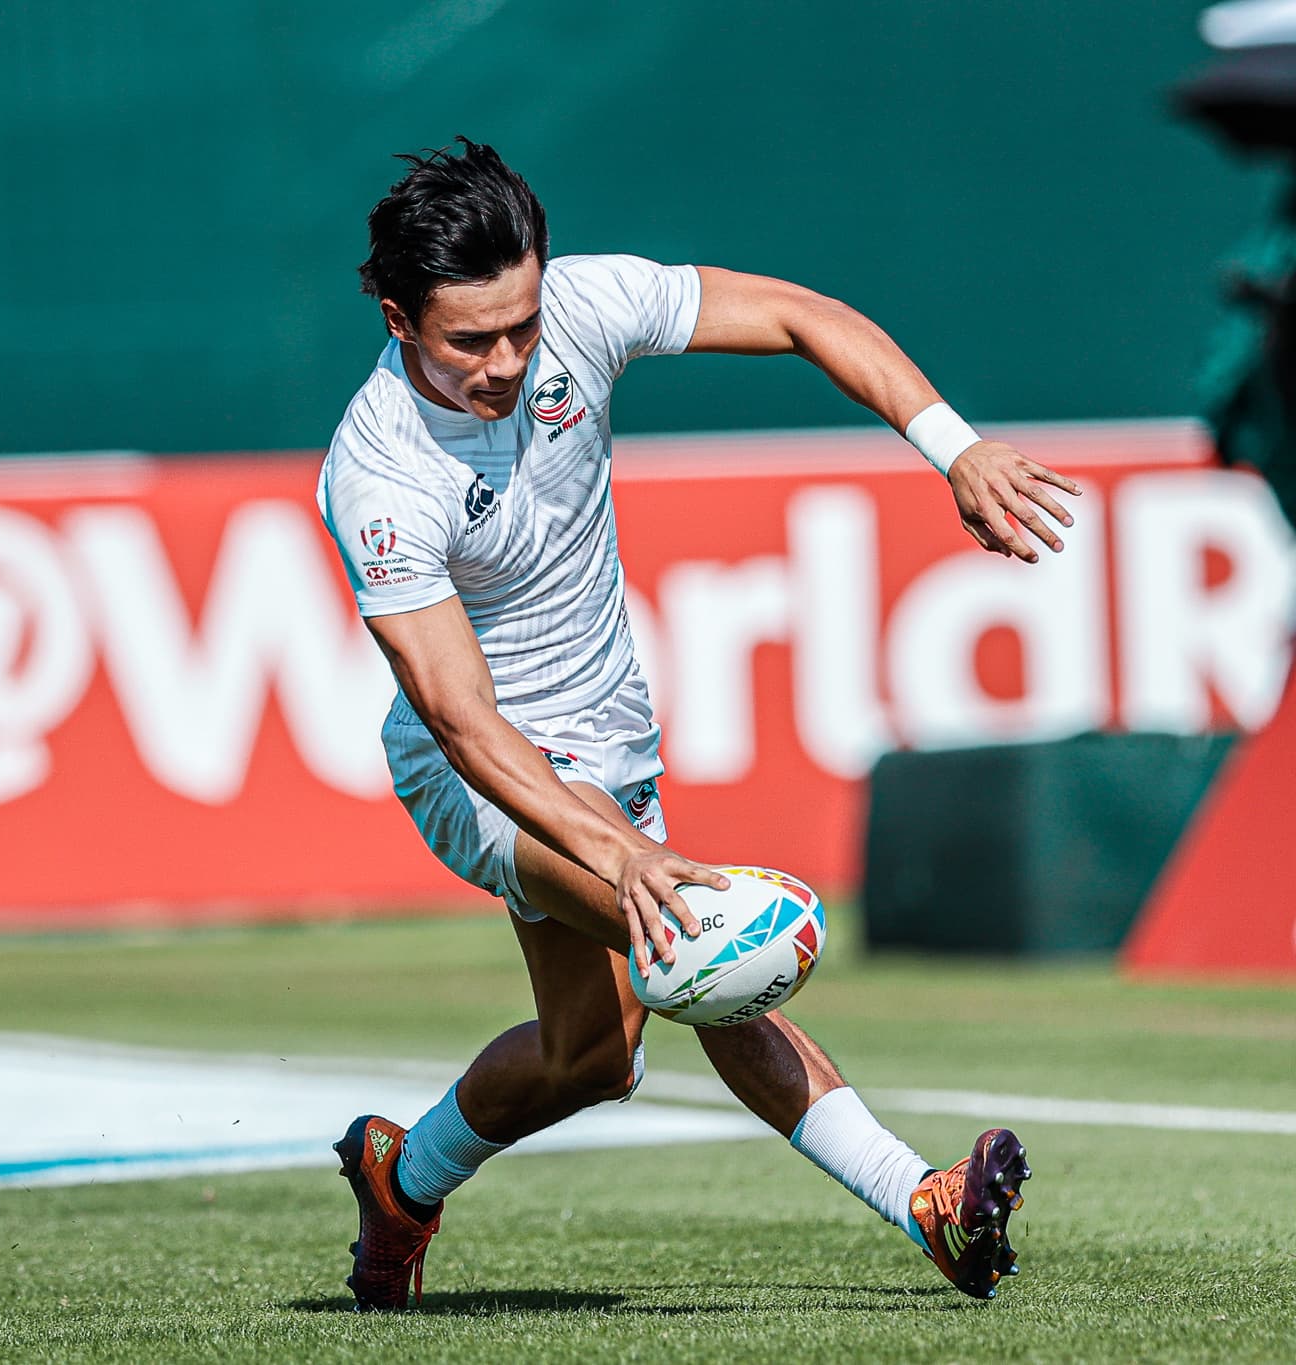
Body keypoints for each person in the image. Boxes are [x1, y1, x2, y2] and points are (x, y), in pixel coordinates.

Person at [316, 138, 1076, 1311]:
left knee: (591, 1058)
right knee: (696, 943)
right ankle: (923, 1202)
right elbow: (462, 721)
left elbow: (798, 315)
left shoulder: (581, 304)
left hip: (607, 733)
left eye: (522, 323)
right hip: (479, 771)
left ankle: (400, 1179)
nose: (510, 360)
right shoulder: (379, 475)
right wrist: (627, 862)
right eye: (472, 339)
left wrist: (952, 446)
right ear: (395, 317)